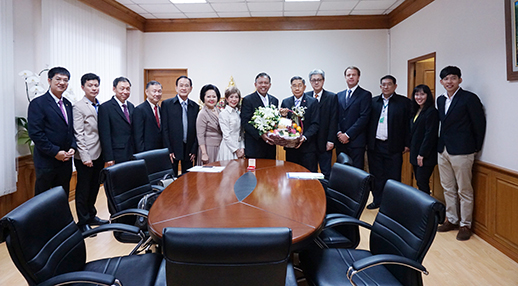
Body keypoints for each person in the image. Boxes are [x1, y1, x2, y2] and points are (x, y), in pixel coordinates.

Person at [436, 66, 486, 241]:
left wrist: (475, 147)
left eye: (453, 78)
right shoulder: (440, 100)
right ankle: (451, 219)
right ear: (441, 82)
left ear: (460, 80)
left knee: (464, 189)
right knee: (448, 187)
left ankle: (465, 224)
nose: (449, 82)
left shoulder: (469, 98)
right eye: (446, 79)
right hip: (443, 149)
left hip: (463, 150)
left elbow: (479, 124)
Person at [28, 66, 76, 196]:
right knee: (42, 199)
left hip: (65, 161)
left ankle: (60, 218)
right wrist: (55, 152)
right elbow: (36, 133)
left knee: (62, 196)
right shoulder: (38, 103)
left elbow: (70, 129)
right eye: (58, 79)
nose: (62, 83)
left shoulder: (67, 104)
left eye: (65, 80)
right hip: (47, 161)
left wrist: (72, 146)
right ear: (49, 80)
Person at [366, 75, 411, 209]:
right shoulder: (373, 102)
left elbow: (408, 125)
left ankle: (393, 204)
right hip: (375, 145)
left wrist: (407, 143)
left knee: (393, 176)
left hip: (394, 146)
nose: (386, 87)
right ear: (380, 87)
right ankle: (378, 200)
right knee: (376, 175)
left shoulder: (404, 102)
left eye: (389, 84)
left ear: (395, 86)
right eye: (383, 85)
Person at [73, 73, 108, 233]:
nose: (94, 88)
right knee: (84, 188)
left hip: (99, 153)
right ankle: (83, 221)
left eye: (96, 85)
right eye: (90, 85)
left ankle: (92, 214)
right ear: (83, 87)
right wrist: (85, 156)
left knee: (95, 187)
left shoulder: (100, 105)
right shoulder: (79, 107)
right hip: (85, 156)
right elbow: (78, 133)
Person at [162, 76, 200, 176]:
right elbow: (164, 129)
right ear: (176, 88)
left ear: (191, 88)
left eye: (186, 86)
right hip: (173, 149)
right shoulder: (167, 104)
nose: (184, 88)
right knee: (171, 178)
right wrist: (168, 150)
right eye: (181, 85)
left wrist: (194, 149)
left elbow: (197, 130)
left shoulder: (195, 106)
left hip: (189, 149)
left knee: (188, 178)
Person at [280, 76, 320, 172]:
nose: (297, 88)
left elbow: (315, 124)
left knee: (309, 177)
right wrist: (284, 117)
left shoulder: (312, 102)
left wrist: (304, 137)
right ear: (291, 88)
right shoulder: (286, 102)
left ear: (305, 87)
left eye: (299, 85)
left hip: (308, 148)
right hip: (291, 148)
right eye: (294, 86)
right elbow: (282, 125)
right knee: (291, 176)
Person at [336, 66, 372, 170]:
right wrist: (339, 133)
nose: (351, 77)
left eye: (354, 75)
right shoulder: (339, 95)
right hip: (340, 142)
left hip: (356, 141)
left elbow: (364, 118)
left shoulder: (365, 95)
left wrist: (347, 135)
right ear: (345, 77)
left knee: (356, 173)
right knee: (341, 171)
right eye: (348, 75)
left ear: (358, 77)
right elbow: (335, 116)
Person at [304, 69, 337, 178]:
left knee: (326, 173)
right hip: (309, 143)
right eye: (313, 80)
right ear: (310, 82)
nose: (316, 83)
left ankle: (326, 195)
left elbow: (333, 120)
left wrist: (331, 140)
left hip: (324, 142)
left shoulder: (332, 97)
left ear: (323, 81)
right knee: (310, 172)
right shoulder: (306, 97)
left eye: (319, 80)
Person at [241, 72, 279, 159]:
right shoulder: (248, 100)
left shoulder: (274, 100)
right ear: (255, 84)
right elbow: (245, 122)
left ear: (270, 85)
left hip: (270, 145)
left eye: (266, 83)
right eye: (260, 83)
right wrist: (261, 134)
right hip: (254, 145)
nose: (263, 85)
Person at [409, 84, 439, 194]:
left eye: (422, 94)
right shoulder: (416, 111)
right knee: (419, 181)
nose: (419, 97)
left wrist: (422, 154)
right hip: (415, 152)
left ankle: (427, 208)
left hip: (425, 154)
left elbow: (430, 134)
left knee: (422, 181)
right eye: (416, 94)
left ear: (428, 96)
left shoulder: (432, 112)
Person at [98, 77, 135, 166]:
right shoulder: (105, 107)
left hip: (132, 152)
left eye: (128, 89)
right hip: (116, 153)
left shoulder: (131, 106)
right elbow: (105, 135)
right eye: (122, 89)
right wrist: (109, 157)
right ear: (114, 89)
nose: (125, 92)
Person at [133, 80, 163, 153]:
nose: (157, 94)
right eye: (154, 91)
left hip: (160, 152)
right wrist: (141, 153)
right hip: (146, 153)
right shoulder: (139, 110)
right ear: (146, 92)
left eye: (159, 91)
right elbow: (138, 136)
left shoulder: (161, 109)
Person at [196, 84, 223, 165]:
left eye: (214, 97)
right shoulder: (202, 114)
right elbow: (200, 135)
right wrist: (204, 153)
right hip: (208, 148)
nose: (211, 99)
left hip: (220, 147)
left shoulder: (219, 111)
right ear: (203, 98)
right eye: (208, 97)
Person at [217, 86, 245, 161]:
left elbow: (241, 133)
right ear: (226, 99)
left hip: (239, 146)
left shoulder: (238, 113)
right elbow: (226, 135)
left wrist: (242, 147)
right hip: (228, 148)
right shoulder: (224, 114)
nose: (234, 99)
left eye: (236, 97)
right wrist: (236, 150)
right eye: (231, 97)